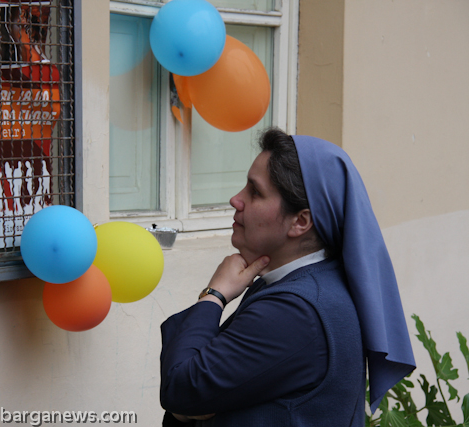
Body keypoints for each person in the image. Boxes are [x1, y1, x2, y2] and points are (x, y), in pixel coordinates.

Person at [160, 128, 416, 426]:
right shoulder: (301, 284)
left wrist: (214, 295)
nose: (235, 199)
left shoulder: (296, 311)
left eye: (255, 192)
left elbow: (181, 385)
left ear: (300, 221)